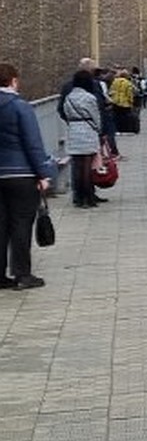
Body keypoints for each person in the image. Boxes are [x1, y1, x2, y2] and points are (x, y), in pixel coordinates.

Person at [0, 62, 55, 290]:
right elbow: (33, 144)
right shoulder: (20, 107)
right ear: (13, 80)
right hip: (22, 174)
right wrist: (43, 173)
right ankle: (22, 274)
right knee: (21, 224)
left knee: (0, 226)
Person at [62, 70, 105, 208]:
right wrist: (99, 130)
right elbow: (96, 116)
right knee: (87, 166)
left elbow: (65, 113)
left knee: (78, 166)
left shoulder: (68, 98)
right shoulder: (89, 98)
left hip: (73, 130)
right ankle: (88, 197)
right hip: (87, 130)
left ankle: (79, 197)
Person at [110, 68, 137, 134]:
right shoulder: (128, 83)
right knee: (125, 117)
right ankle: (125, 129)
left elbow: (111, 91)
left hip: (115, 101)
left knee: (116, 116)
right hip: (125, 102)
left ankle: (117, 129)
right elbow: (129, 93)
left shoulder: (115, 82)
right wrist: (131, 101)